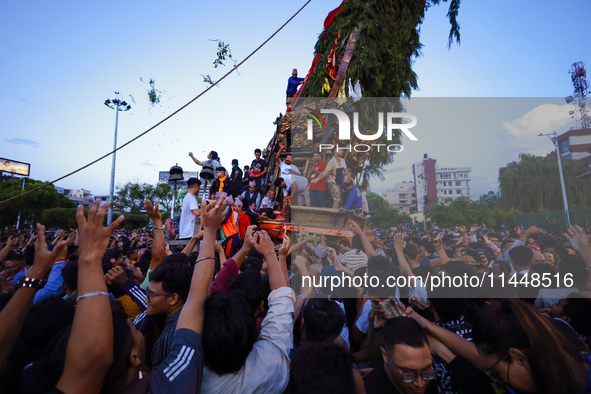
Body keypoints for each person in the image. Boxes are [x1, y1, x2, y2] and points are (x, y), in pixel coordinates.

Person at [364, 317, 437, 394]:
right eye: (409, 373)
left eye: (426, 370)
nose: (420, 384)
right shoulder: (368, 390)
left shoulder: (433, 376)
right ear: (385, 355)